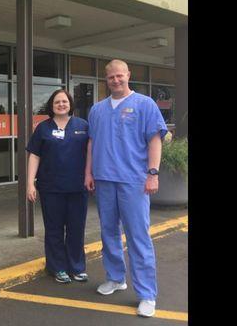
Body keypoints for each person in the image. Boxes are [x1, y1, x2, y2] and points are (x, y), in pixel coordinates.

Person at [84, 59, 167, 318]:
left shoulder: (145, 105)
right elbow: (91, 143)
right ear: (105, 79)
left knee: (137, 237)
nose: (116, 80)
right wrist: (88, 172)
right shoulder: (96, 110)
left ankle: (146, 295)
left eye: (120, 76)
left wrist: (152, 173)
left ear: (128, 75)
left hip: (134, 180)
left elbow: (155, 140)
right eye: (111, 77)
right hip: (105, 180)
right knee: (109, 232)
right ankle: (115, 278)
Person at [26, 89, 90, 284]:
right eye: (57, 102)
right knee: (54, 229)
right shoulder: (43, 128)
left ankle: (77, 267)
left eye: (64, 101)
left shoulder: (83, 125)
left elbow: (91, 153)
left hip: (78, 187)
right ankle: (57, 267)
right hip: (50, 188)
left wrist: (91, 176)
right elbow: (34, 155)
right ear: (51, 106)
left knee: (76, 229)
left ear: (70, 104)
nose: (61, 104)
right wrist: (30, 183)